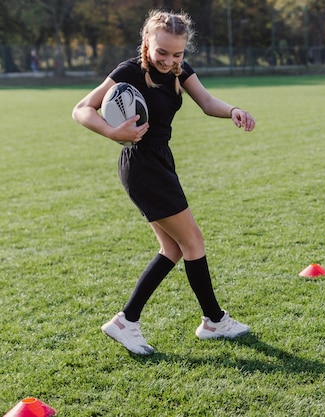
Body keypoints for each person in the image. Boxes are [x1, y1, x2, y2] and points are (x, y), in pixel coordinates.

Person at [72, 10, 255, 355]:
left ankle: (127, 321)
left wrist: (233, 110)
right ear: (147, 43)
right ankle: (214, 321)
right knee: (193, 242)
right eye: (162, 53)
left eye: (178, 54)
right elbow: (82, 108)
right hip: (142, 165)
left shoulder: (178, 71)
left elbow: (207, 101)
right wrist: (113, 132)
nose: (170, 60)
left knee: (172, 248)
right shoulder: (129, 71)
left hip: (159, 161)